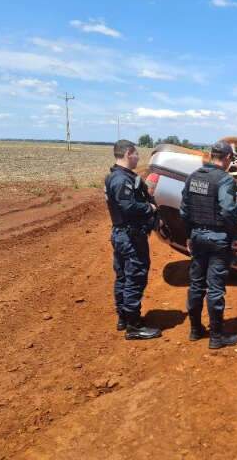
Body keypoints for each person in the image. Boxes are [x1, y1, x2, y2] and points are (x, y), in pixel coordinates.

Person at [180, 140, 237, 349]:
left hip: (197, 237)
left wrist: (190, 234)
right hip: (218, 239)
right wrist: (236, 236)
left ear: (210, 155)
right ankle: (216, 337)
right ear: (227, 158)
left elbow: (184, 210)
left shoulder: (193, 177)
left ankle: (194, 330)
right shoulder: (225, 179)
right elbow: (228, 209)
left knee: (196, 284)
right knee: (215, 288)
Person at [105, 140, 161, 340]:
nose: (138, 157)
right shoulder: (121, 180)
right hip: (130, 236)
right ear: (128, 153)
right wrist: (150, 208)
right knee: (134, 277)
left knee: (122, 276)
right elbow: (129, 207)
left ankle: (124, 317)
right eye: (136, 153)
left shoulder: (116, 177)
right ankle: (134, 326)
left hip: (122, 234)